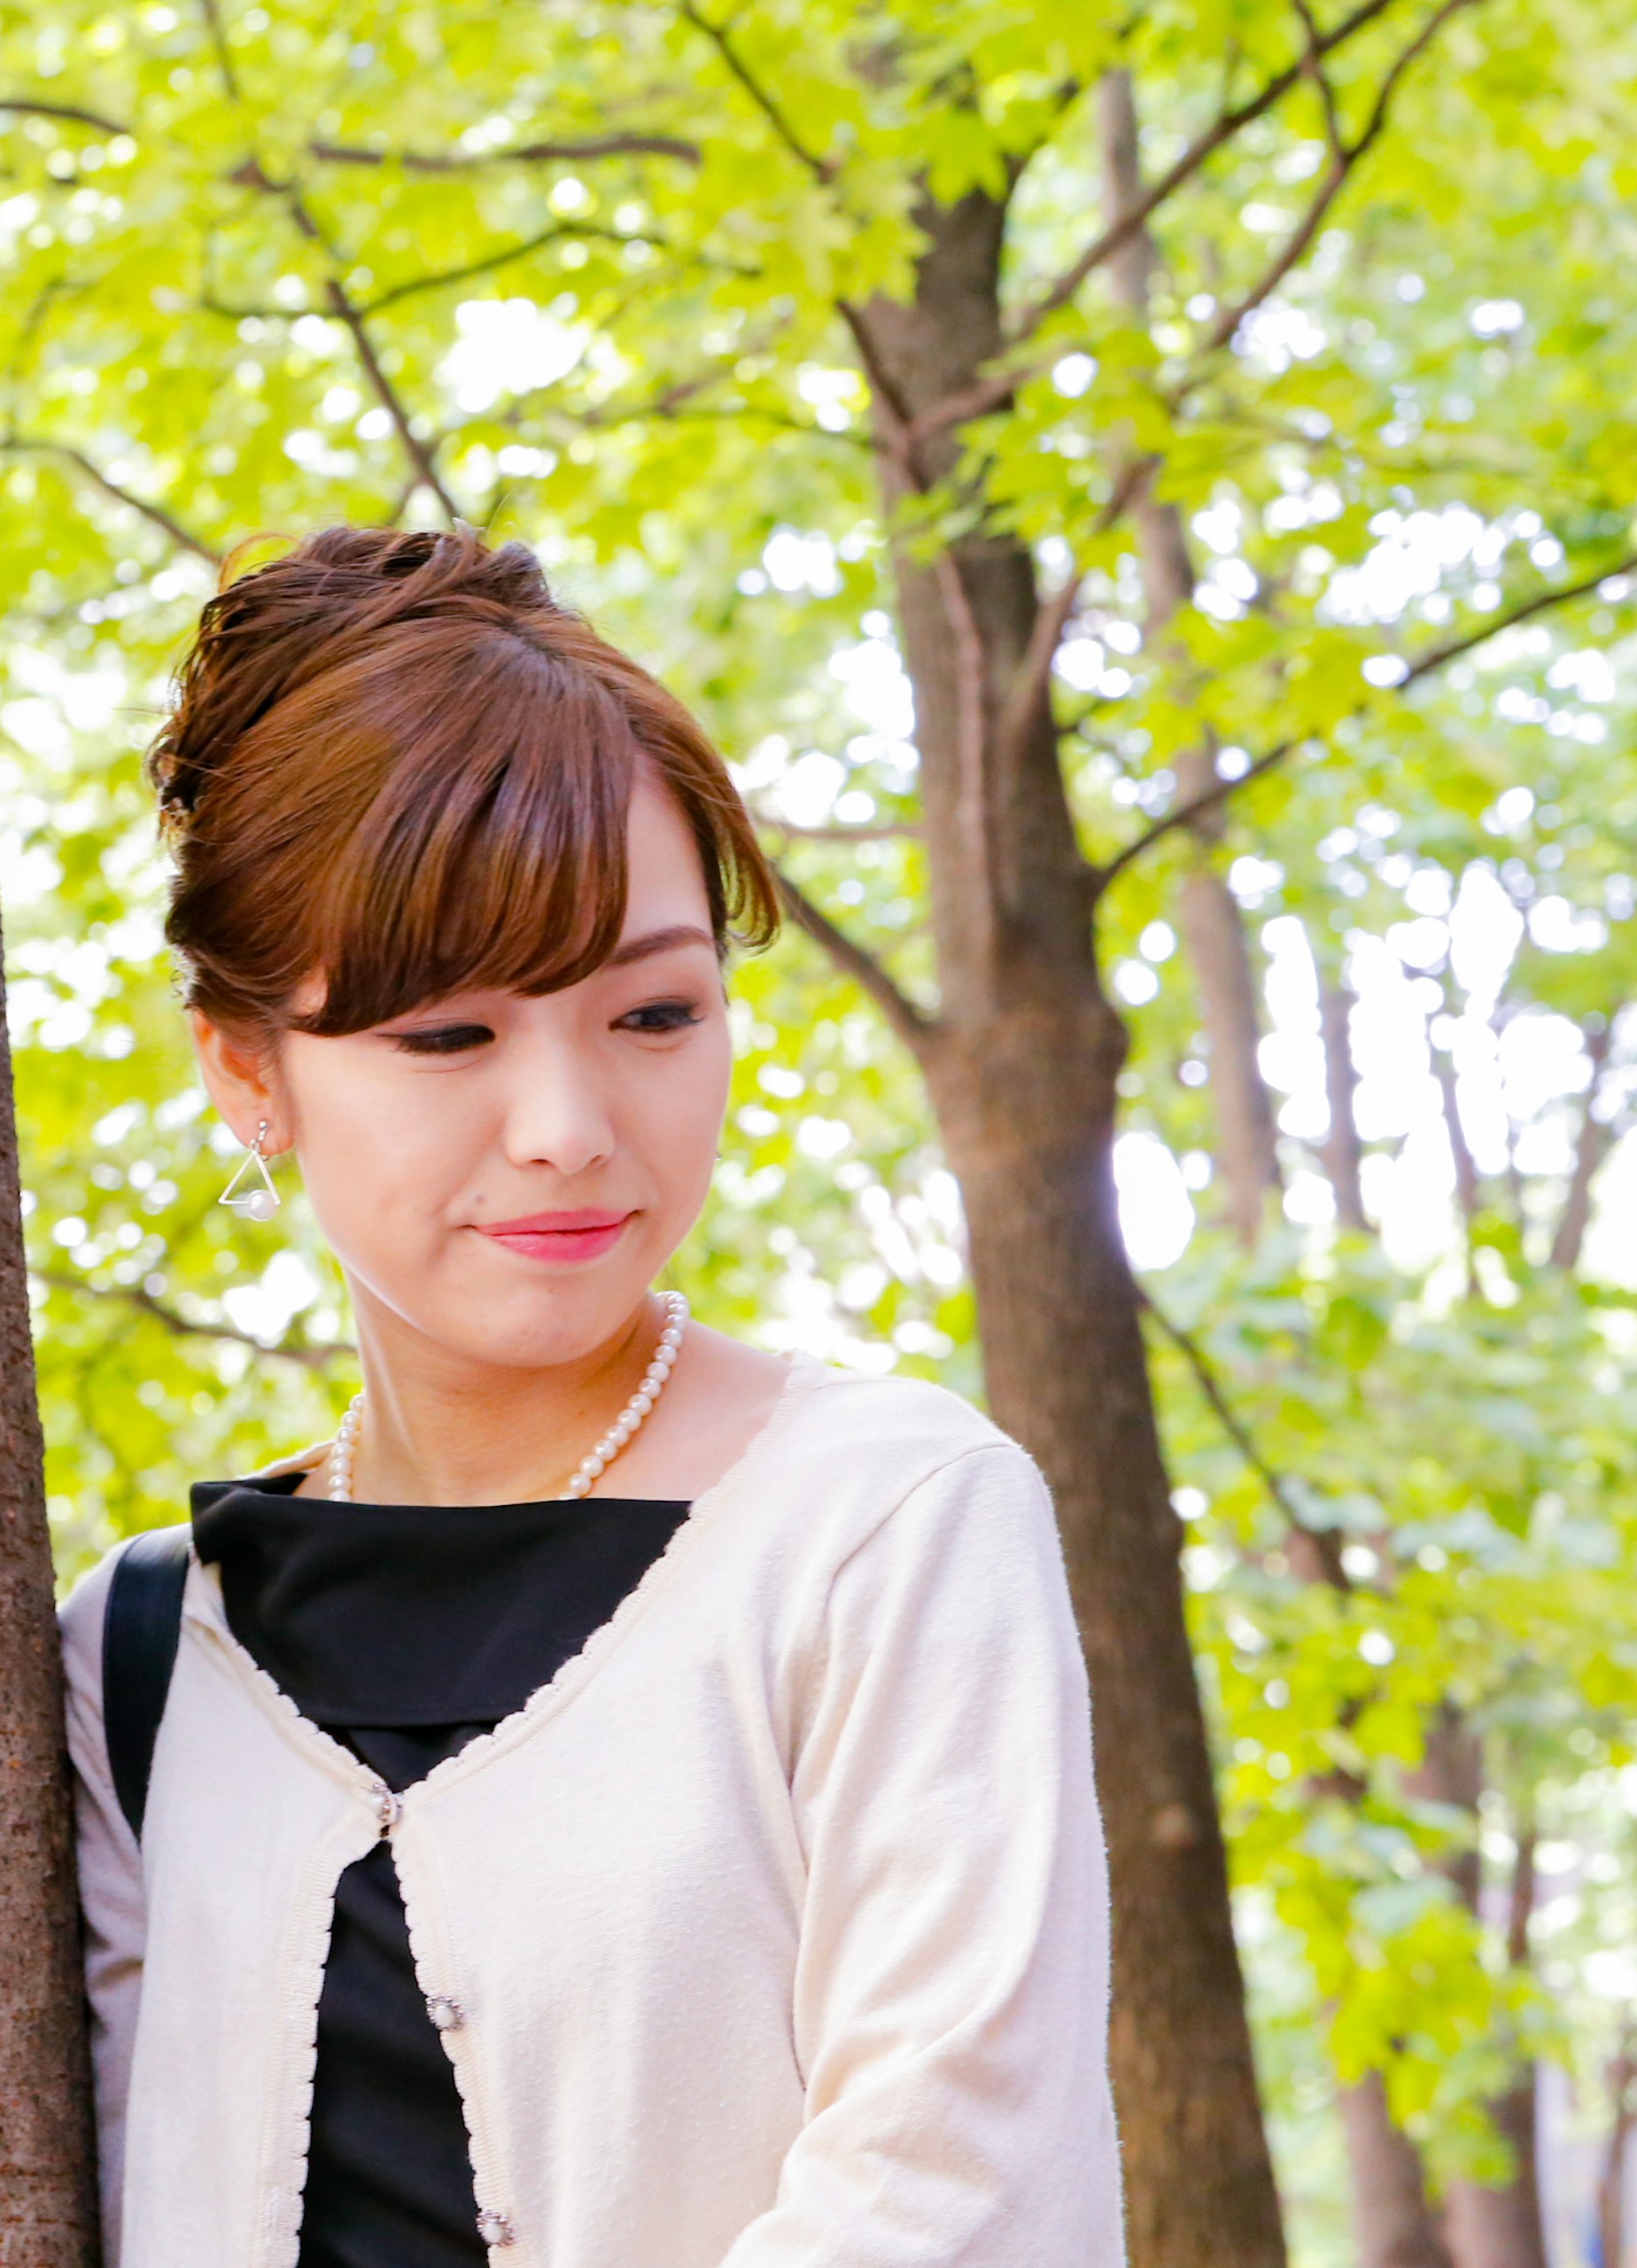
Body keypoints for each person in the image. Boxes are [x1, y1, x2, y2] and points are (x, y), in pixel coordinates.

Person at [58, 526, 1125, 2268]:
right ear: (249, 1070)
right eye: (450, 1035)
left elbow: (959, 2189)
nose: (569, 1123)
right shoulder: (142, 1655)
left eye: (650, 1009)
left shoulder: (883, 1528)